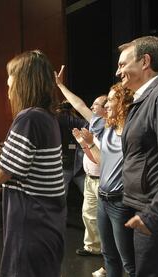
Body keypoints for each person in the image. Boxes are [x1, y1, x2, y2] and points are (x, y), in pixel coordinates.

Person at [0, 50, 66, 277]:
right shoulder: (44, 117)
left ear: (23, 82)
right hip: (45, 227)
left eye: (10, 82)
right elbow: (9, 157)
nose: (8, 90)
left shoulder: (29, 118)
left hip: (31, 230)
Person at [116, 35, 158, 276]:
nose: (118, 72)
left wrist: (154, 216)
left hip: (157, 219)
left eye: (123, 64)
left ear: (145, 61)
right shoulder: (145, 99)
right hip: (143, 211)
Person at [77, 83, 135, 277]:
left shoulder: (133, 132)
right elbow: (104, 162)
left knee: (129, 261)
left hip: (121, 202)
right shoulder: (108, 127)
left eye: (110, 100)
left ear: (123, 103)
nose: (107, 105)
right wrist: (91, 144)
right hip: (103, 199)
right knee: (109, 254)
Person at [55, 66, 107, 258]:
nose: (92, 107)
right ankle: (93, 247)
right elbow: (79, 105)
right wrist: (60, 85)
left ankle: (109, 257)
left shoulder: (113, 126)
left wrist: (88, 144)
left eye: (96, 105)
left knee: (105, 220)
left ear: (107, 108)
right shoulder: (96, 122)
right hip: (89, 178)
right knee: (89, 214)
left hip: (105, 181)